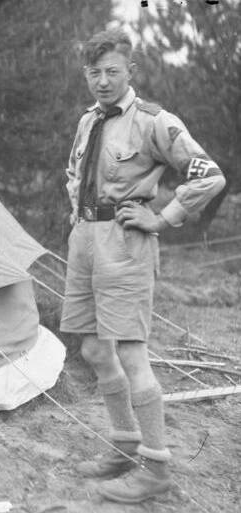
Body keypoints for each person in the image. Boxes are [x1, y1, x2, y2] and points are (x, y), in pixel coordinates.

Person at [60, 29, 226, 504]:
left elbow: (208, 175)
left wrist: (162, 218)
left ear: (130, 71)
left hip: (127, 245)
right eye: (94, 73)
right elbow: (76, 175)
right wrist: (78, 219)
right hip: (86, 242)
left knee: (132, 355)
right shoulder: (88, 120)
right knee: (93, 349)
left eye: (112, 71)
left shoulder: (155, 121)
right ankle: (124, 443)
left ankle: (155, 466)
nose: (103, 81)